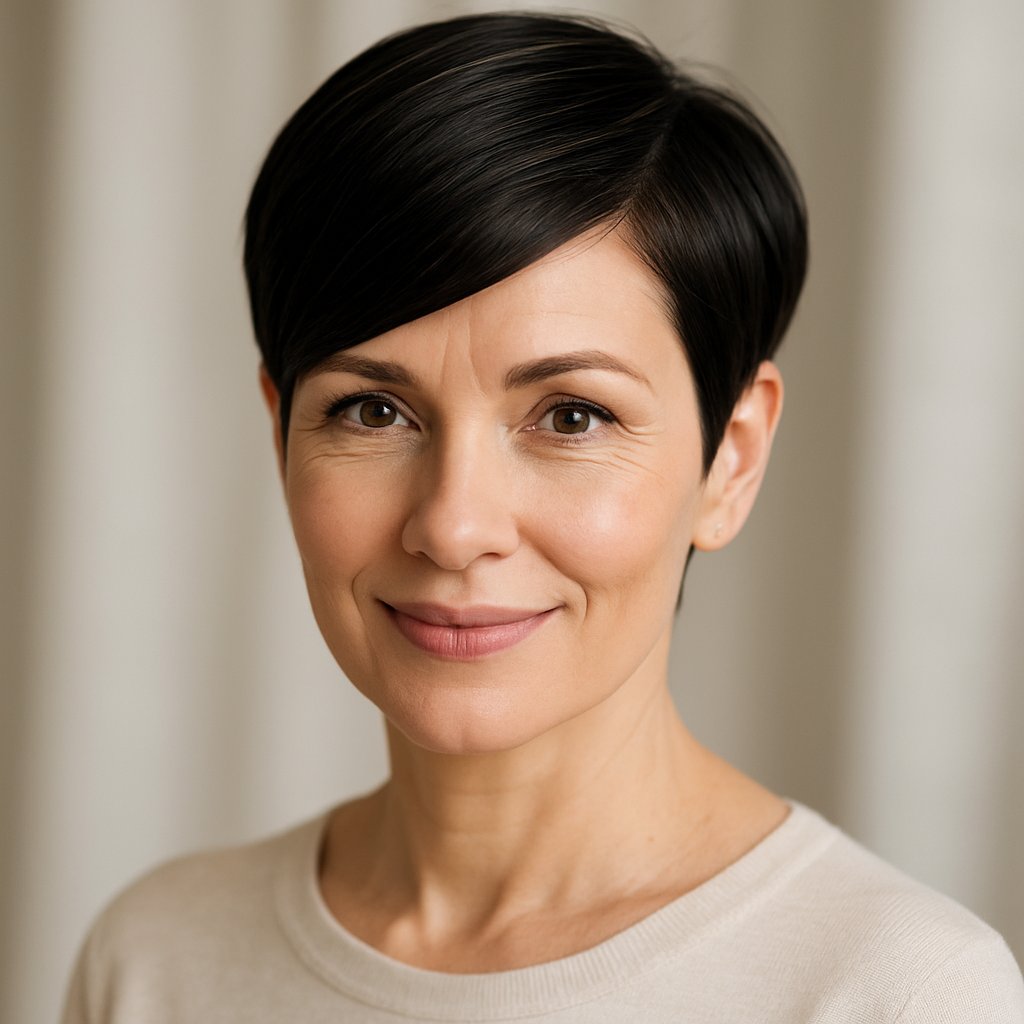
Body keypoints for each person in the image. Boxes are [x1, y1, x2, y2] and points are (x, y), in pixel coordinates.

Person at [61, 11, 1024, 1023]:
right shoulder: (156, 956)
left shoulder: (900, 991)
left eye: (572, 415)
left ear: (730, 459)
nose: (452, 524)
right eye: (372, 409)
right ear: (280, 437)